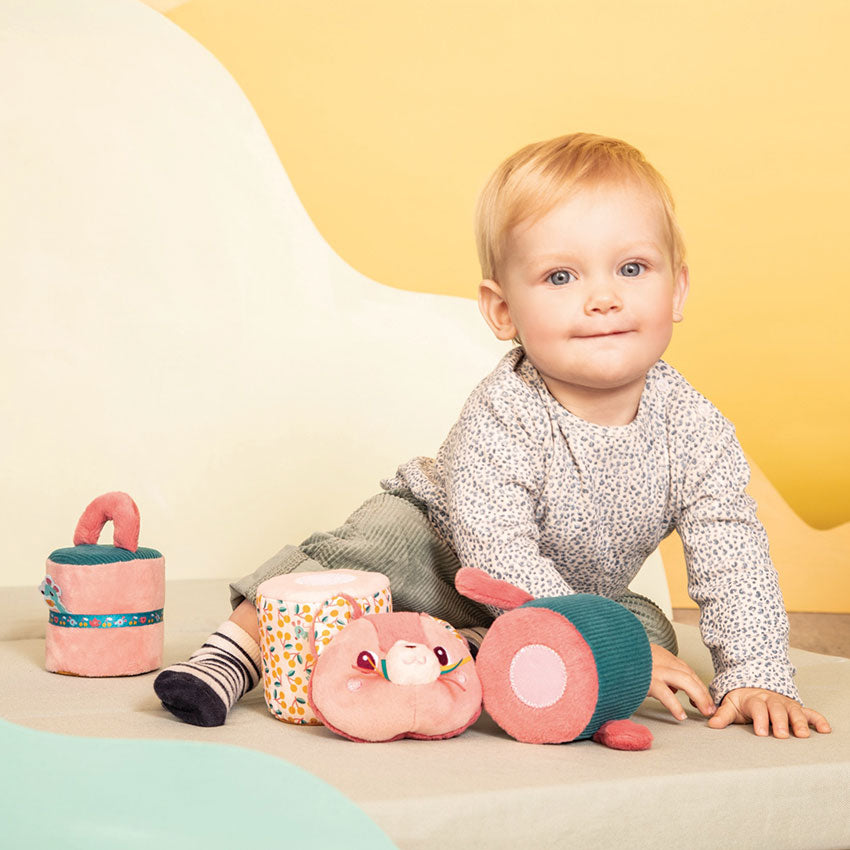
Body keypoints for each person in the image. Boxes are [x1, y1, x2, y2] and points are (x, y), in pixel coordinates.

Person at [154, 132, 831, 739]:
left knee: (647, 628)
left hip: (565, 591)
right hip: (444, 552)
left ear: (677, 290)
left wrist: (756, 671)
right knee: (377, 540)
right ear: (503, 310)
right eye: (561, 276)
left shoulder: (696, 430)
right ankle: (236, 648)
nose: (604, 298)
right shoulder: (506, 410)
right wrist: (593, 640)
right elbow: (495, 550)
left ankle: (465, 656)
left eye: (632, 269)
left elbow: (732, 553)